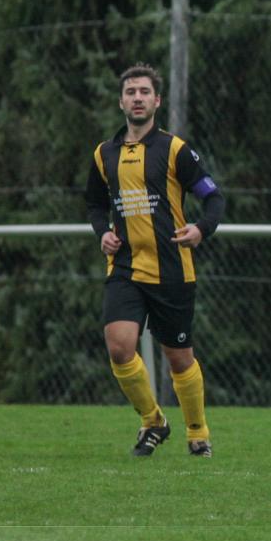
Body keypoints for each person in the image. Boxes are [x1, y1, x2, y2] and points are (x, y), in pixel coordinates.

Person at [86, 63, 226, 457]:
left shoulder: (175, 150)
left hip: (172, 268)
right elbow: (95, 204)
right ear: (121, 101)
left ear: (156, 100)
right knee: (119, 347)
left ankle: (197, 432)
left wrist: (201, 229)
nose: (137, 98)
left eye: (144, 92)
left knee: (179, 359)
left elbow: (214, 197)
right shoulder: (104, 154)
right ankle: (153, 421)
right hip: (126, 268)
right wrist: (103, 233)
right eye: (130, 92)